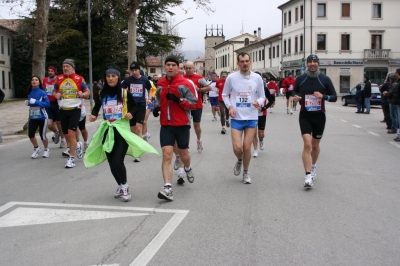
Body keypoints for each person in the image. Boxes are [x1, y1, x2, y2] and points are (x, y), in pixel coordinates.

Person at [85, 66, 159, 202]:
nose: (110, 78)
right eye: (108, 76)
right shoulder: (102, 93)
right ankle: (120, 185)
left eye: (113, 76)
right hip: (107, 129)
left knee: (118, 160)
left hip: (122, 130)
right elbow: (96, 107)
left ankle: (125, 186)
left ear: (118, 78)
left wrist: (131, 113)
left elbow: (135, 105)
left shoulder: (124, 93)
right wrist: (94, 115)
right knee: (111, 162)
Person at [153, 55, 198, 201]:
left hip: (182, 124)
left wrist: (179, 100)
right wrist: (157, 107)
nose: (170, 67)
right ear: (165, 67)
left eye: (173, 65)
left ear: (178, 67)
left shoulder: (185, 83)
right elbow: (158, 99)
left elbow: (194, 103)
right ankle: (167, 188)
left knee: (184, 155)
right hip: (166, 125)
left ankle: (188, 168)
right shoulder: (160, 83)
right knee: (167, 155)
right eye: (168, 65)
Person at [292, 54, 337, 188]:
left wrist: (323, 96)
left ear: (318, 64)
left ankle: (313, 166)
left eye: (314, 62)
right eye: (310, 62)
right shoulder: (300, 78)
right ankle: (307, 176)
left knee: (315, 146)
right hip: (305, 115)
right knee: (307, 145)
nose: (312, 64)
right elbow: (294, 92)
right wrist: (295, 97)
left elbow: (334, 96)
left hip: (319, 116)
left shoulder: (324, 79)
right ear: (307, 64)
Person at [222, 52, 266, 184]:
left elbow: (263, 96)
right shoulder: (231, 78)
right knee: (237, 148)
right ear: (238, 63)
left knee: (247, 148)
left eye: (247, 61)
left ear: (250, 62)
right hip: (236, 117)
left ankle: (246, 173)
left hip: (252, 117)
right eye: (242, 61)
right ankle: (239, 160)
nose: (245, 64)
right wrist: (230, 106)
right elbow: (224, 95)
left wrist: (259, 102)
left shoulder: (257, 78)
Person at [53, 59, 90, 168]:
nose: (65, 68)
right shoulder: (59, 78)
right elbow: (54, 91)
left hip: (75, 109)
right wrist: (56, 95)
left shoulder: (79, 79)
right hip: (63, 109)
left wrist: (82, 94)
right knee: (65, 134)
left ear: (72, 68)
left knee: (71, 133)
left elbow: (88, 92)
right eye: (63, 66)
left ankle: (71, 159)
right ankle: (77, 145)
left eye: (67, 66)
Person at [121, 61, 152, 162]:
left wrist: (150, 98)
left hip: (141, 106)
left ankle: (137, 151)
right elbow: (121, 89)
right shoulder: (128, 80)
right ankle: (138, 144)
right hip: (130, 107)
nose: (134, 72)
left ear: (139, 70)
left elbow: (149, 89)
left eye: (136, 70)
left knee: (139, 127)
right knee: (133, 129)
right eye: (132, 70)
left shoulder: (144, 80)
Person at [184, 61, 211, 153]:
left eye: (190, 68)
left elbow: (209, 88)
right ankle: (185, 145)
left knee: (197, 126)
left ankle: (199, 140)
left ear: (193, 68)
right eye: (186, 68)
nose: (188, 70)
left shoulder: (199, 78)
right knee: (185, 126)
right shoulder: (182, 78)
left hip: (196, 105)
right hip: (185, 105)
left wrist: (199, 89)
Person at [26, 76, 51, 158]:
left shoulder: (42, 92)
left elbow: (47, 104)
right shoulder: (29, 92)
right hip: (33, 117)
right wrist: (28, 103)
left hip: (42, 117)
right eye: (32, 80)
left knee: (42, 135)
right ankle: (36, 148)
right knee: (30, 134)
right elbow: (31, 103)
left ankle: (46, 149)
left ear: (39, 82)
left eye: (36, 80)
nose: (34, 81)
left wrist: (36, 101)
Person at [43, 66, 66, 148]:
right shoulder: (45, 80)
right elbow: (44, 89)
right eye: (49, 71)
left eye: (52, 71)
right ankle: (56, 133)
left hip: (57, 103)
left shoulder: (58, 79)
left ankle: (63, 139)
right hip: (49, 104)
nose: (50, 72)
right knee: (49, 124)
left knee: (59, 123)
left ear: (55, 72)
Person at [252, 72, 273, 157]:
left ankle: (261, 140)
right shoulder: (249, 88)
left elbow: (271, 101)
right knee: (253, 133)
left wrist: (264, 108)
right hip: (252, 113)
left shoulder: (265, 88)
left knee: (260, 133)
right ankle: (255, 150)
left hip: (262, 113)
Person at [383, 72, 399, 138]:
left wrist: (386, 93)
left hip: (393, 101)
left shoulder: (394, 84)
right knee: (394, 115)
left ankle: (394, 128)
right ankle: (394, 127)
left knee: (394, 116)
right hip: (393, 101)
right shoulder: (394, 84)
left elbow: (391, 92)